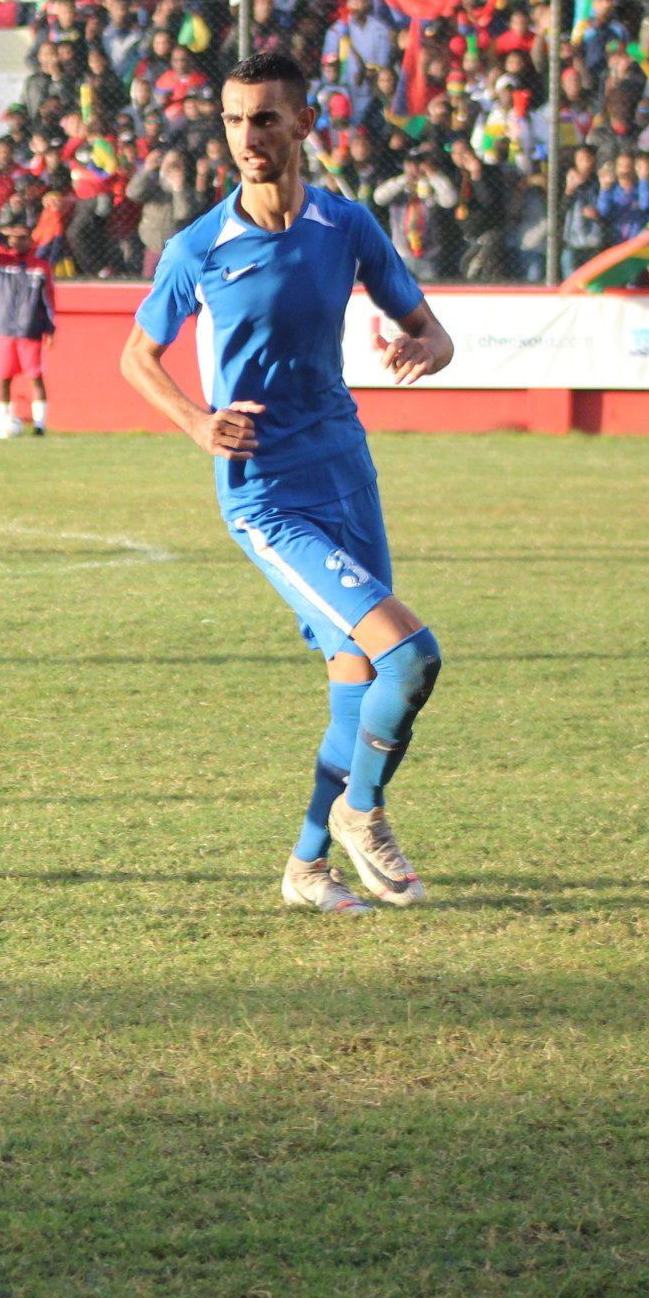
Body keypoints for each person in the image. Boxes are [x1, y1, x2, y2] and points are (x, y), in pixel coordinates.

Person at [120, 50, 456, 919]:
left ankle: (308, 865)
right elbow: (136, 356)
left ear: (304, 124)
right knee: (411, 654)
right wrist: (197, 422)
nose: (246, 137)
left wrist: (424, 347)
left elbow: (432, 330)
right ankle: (362, 810)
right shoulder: (200, 246)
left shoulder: (346, 228)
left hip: (346, 469)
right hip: (267, 494)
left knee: (355, 680)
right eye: (233, 120)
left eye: (265, 118)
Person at [0, 202, 56, 438]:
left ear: (30, 240)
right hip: (5, 328)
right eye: (12, 237)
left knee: (34, 376)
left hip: (30, 329)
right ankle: (2, 423)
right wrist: (0, 234)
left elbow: (49, 299)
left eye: (21, 237)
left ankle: (40, 426)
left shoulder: (40, 267)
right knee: (3, 377)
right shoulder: (1, 263)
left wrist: (49, 327)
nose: (15, 242)